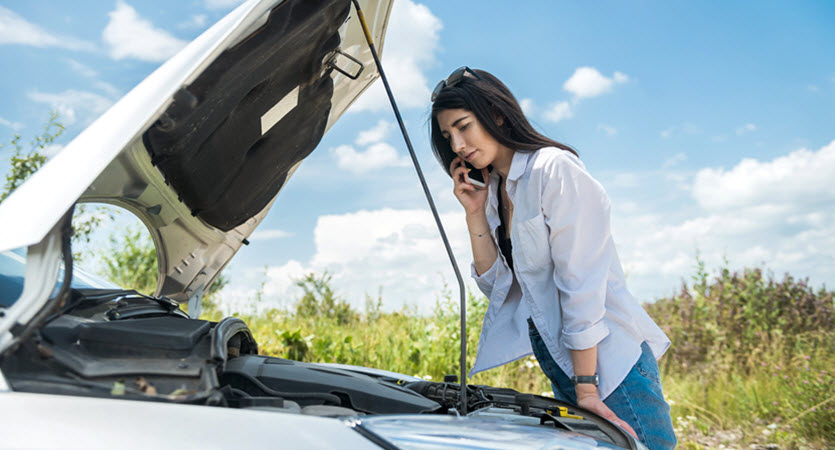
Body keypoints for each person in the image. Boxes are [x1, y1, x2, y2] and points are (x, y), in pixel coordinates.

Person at [429, 67, 677, 450]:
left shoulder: (552, 169)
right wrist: (474, 213)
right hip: (565, 362)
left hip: (607, 366)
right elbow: (496, 285)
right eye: (449, 136)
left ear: (496, 113)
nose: (458, 145)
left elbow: (580, 283)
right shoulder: (494, 189)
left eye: (464, 126)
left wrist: (587, 387)